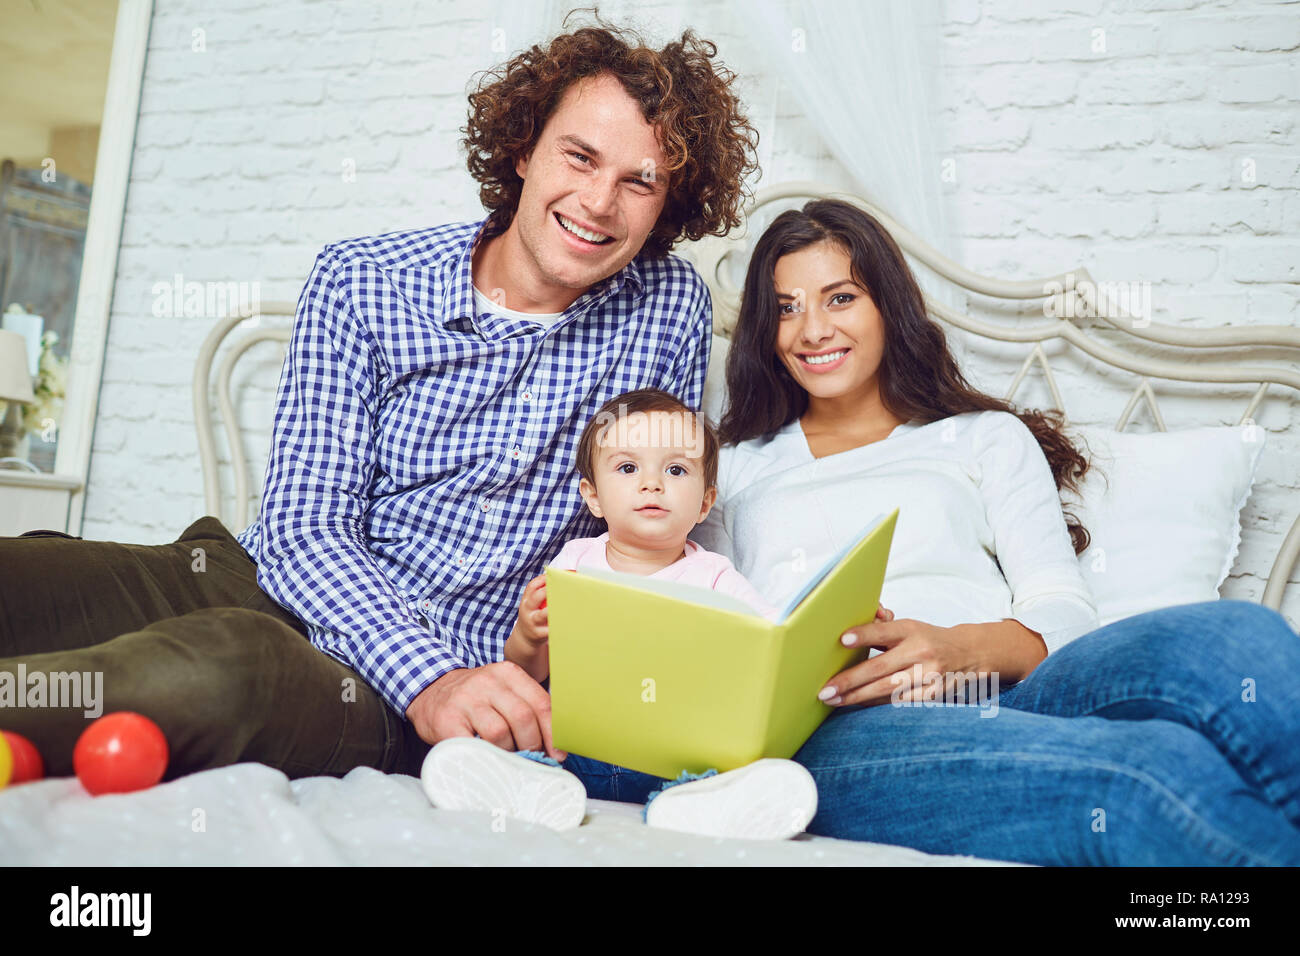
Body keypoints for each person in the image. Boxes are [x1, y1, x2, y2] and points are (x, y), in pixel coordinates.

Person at [0, 16, 761, 781]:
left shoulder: (667, 306)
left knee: (220, 672)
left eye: (641, 181)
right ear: (526, 148)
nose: (600, 202)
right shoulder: (363, 279)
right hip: (261, 580)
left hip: (415, 680)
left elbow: (650, 519)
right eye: (580, 157)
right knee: (29, 582)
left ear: (670, 205)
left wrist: (438, 680)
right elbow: (302, 529)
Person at [548, 197, 1300, 866]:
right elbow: (702, 633)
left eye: (840, 297)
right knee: (1148, 773)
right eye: (784, 308)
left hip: (1019, 686)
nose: (812, 330)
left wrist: (954, 647)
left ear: (887, 306)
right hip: (854, 728)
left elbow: (1063, 612)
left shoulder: (983, 438)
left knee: (1240, 639)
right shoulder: (732, 471)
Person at [419, 388, 825, 840]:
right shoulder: (574, 562)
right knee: (530, 747)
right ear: (592, 496)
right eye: (628, 468)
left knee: (719, 768)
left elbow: (774, 640)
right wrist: (530, 637)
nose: (651, 484)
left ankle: (696, 804)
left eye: (675, 469)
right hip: (576, 746)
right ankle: (529, 789)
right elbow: (525, 672)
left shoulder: (714, 576)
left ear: (705, 503)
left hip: (673, 751)